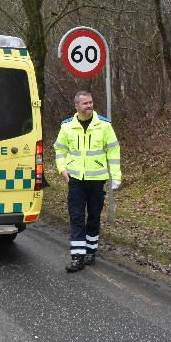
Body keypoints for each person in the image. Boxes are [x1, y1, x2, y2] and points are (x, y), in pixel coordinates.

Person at [54, 90, 122, 272]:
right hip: (75, 180)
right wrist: (62, 168)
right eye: (85, 103)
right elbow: (60, 150)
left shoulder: (104, 126)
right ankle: (77, 257)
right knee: (76, 217)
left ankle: (91, 251)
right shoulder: (67, 126)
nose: (89, 106)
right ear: (76, 106)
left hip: (97, 180)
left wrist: (116, 176)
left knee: (94, 217)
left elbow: (113, 151)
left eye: (91, 102)